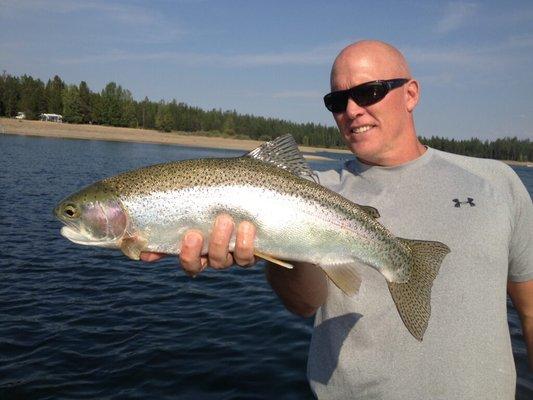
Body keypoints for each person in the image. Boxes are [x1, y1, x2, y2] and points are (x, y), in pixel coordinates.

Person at [141, 40, 533, 399]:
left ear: (411, 94)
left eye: (369, 92)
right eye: (337, 100)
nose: (352, 110)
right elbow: (304, 304)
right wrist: (274, 242)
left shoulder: (496, 182)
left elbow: (529, 312)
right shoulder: (312, 191)